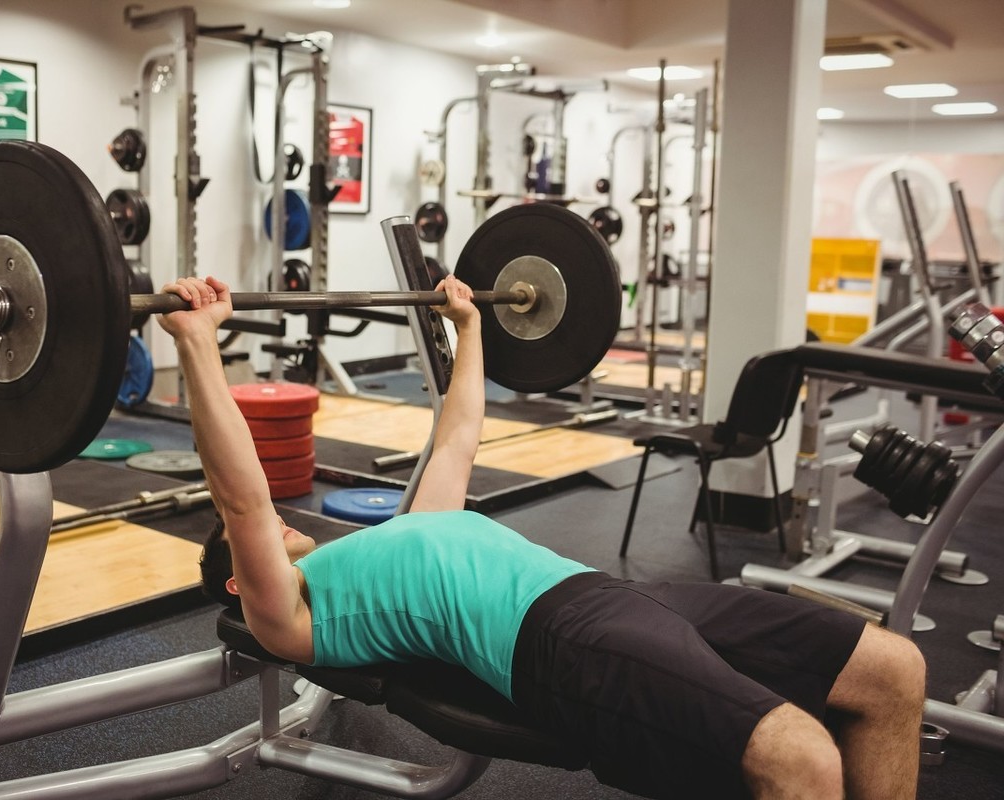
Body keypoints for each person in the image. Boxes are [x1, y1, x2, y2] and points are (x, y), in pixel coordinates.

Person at [158, 275, 926, 800]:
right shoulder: (286, 613)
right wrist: (197, 344)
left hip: (615, 595)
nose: (291, 527)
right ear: (238, 581)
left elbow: (457, 437)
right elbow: (244, 499)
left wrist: (469, 327)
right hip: (560, 641)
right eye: (270, 538)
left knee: (893, 667)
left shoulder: (405, 538)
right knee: (800, 756)